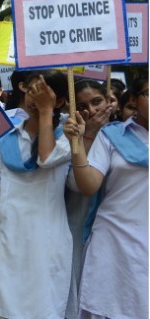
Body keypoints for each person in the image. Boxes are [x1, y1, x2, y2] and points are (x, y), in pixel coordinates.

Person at [0, 70, 72, 318]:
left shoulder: (68, 137)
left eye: (43, 92)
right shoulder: (5, 135)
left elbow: (46, 157)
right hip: (6, 239)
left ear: (58, 101)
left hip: (45, 243)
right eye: (31, 89)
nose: (34, 97)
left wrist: (46, 112)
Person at [64, 76, 148, 319]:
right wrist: (78, 144)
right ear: (132, 99)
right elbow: (89, 185)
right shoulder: (112, 135)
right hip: (114, 242)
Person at [64, 79, 114, 318]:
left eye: (97, 102)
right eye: (83, 107)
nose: (92, 111)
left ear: (110, 101)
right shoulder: (68, 135)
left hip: (116, 235)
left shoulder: (126, 135)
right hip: (77, 228)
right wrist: (88, 136)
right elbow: (76, 184)